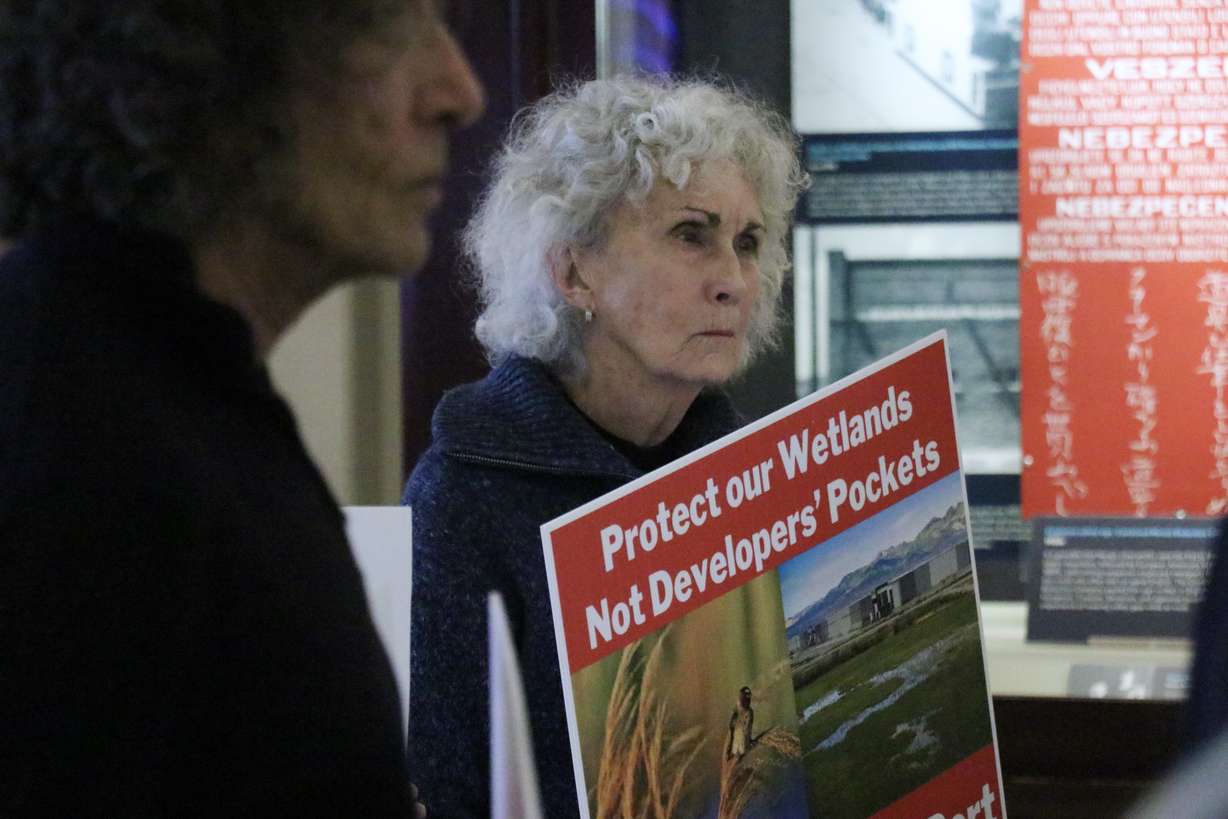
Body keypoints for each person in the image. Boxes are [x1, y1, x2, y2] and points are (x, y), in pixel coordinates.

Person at [0, 2, 482, 816]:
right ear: (206, 59)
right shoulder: (86, 455)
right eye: (391, 28)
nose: (458, 92)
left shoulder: (155, 383)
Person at [404, 74, 806, 818]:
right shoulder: (463, 493)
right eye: (692, 233)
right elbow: (448, 782)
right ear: (573, 269)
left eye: (748, 244)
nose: (734, 281)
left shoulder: (757, 473)